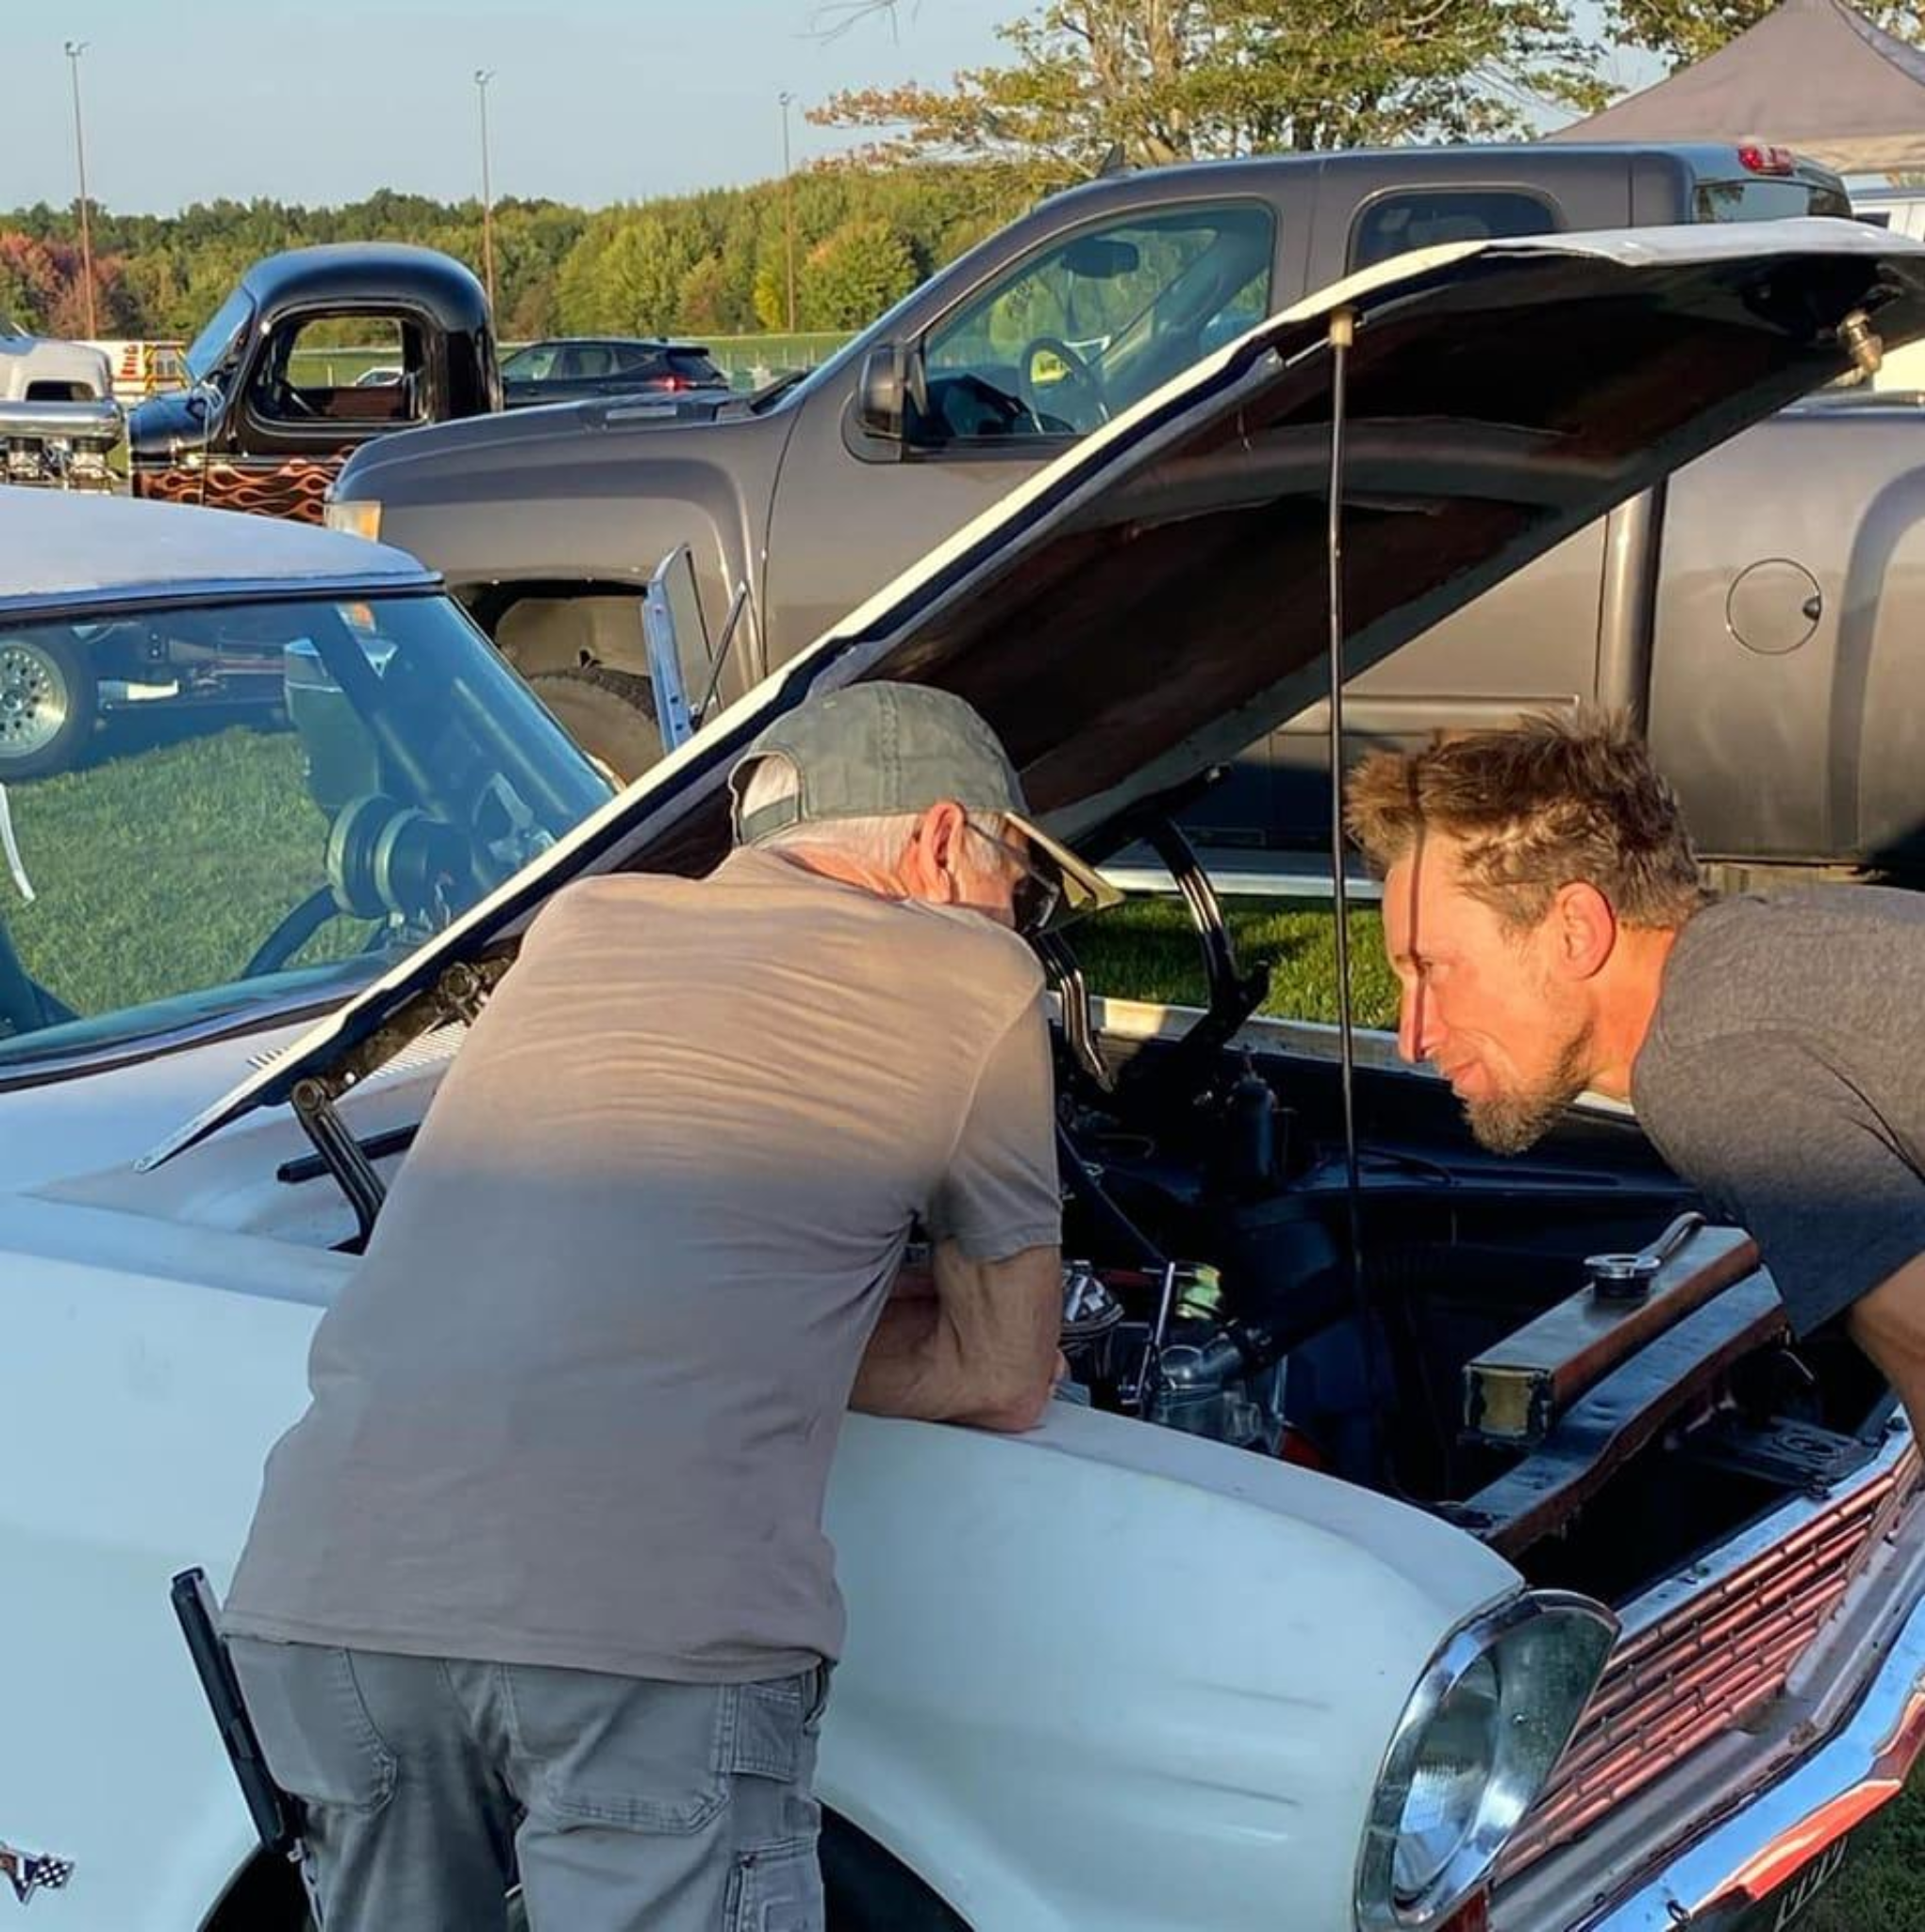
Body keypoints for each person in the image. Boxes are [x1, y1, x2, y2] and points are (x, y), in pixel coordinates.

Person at [221, 681, 1118, 1932]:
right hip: (639, 1641)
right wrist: (786, 1339)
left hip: (324, 1605)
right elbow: (1006, 1374)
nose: (1016, 911)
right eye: (1014, 877)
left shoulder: (580, 925)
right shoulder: (974, 970)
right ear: (934, 838)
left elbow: (592, 1270)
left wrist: (724, 1319)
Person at [1344, 710, 1925, 1438]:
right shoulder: (1771, 949)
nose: (1411, 1037)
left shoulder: (1705, 1067)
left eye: (1433, 968)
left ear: (1575, 931)